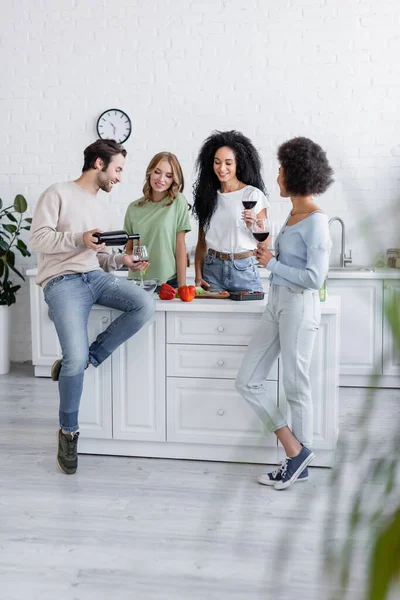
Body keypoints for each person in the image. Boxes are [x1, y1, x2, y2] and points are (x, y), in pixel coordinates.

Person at [30, 139, 155, 475]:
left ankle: (90, 357)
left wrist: (120, 258)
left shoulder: (101, 206)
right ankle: (68, 432)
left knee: (144, 304)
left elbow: (97, 256)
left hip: (94, 277)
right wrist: (78, 238)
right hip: (61, 282)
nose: (119, 177)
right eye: (117, 169)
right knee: (72, 355)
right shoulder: (57, 192)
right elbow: (38, 238)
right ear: (99, 164)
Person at [235, 136, 333, 490]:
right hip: (276, 303)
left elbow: (314, 277)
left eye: (281, 171)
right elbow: (278, 259)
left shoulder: (317, 221)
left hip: (299, 306)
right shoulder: (293, 214)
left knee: (295, 385)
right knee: (246, 381)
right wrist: (259, 239)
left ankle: (297, 462)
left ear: (296, 175)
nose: (277, 177)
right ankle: (296, 451)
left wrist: (273, 262)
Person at [192, 130, 269, 292]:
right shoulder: (207, 197)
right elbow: (201, 243)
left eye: (228, 163)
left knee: (247, 317)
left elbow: (264, 243)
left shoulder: (252, 195)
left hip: (243, 269)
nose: (222, 168)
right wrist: (198, 276)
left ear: (238, 164)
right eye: (217, 162)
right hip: (212, 270)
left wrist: (252, 226)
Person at [124, 152, 191, 289]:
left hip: (167, 281)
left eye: (168, 175)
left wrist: (182, 286)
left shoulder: (178, 202)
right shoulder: (133, 208)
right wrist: (132, 261)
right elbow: (129, 248)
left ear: (174, 179)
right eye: (157, 172)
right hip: (137, 282)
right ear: (150, 172)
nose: (161, 179)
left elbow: (180, 245)